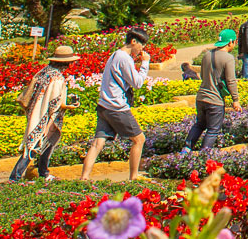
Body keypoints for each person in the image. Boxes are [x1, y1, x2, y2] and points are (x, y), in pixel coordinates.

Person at [80, 28, 151, 181]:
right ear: (133, 42)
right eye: (141, 46)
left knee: (98, 142)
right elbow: (137, 83)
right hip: (117, 108)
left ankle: (84, 177)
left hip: (104, 106)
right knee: (139, 140)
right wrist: (145, 64)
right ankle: (134, 176)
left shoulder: (114, 55)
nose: (141, 50)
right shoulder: (124, 58)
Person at [9, 44, 79, 182]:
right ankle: (15, 177)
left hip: (35, 112)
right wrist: (69, 106)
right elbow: (55, 103)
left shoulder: (44, 72)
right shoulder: (57, 78)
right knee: (35, 145)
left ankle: (44, 172)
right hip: (46, 116)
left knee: (44, 143)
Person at [187, 29, 240, 152]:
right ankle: (204, 155)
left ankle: (186, 149)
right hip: (215, 100)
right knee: (212, 130)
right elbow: (231, 80)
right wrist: (235, 100)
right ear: (230, 42)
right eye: (235, 41)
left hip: (201, 97)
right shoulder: (228, 58)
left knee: (199, 125)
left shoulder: (207, 55)